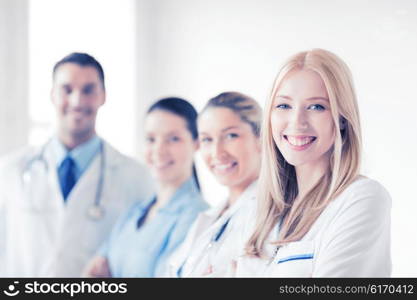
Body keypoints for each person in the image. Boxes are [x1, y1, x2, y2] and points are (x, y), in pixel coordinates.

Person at [235, 49, 391, 277]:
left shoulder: (361, 199)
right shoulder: (259, 210)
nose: (297, 122)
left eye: (316, 106)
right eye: (283, 106)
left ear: (343, 119)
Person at [0, 52, 154, 277]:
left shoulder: (136, 177)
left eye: (88, 90)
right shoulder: (10, 171)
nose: (77, 101)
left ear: (103, 96)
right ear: (52, 95)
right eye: (67, 89)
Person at [83, 97, 208, 277]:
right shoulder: (135, 212)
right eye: (151, 139)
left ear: (197, 143)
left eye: (173, 139)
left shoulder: (198, 217)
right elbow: (95, 269)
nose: (159, 150)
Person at [166, 92, 262, 277]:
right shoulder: (211, 217)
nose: (217, 152)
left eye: (231, 136)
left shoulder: (269, 215)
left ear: (260, 137)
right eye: (207, 139)